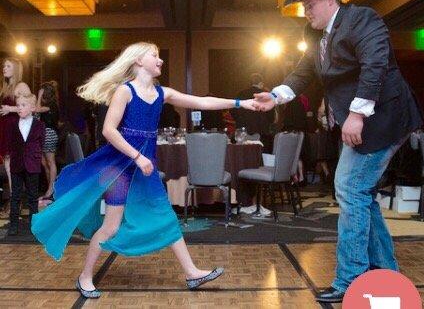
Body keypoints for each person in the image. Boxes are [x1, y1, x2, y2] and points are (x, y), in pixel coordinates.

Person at [31, 42, 257, 298]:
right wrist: (137, 156)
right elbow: (108, 131)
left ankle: (192, 272)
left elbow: (202, 101)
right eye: (155, 55)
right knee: (111, 227)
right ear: (139, 61)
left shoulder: (162, 93)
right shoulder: (125, 92)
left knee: (166, 215)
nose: (160, 60)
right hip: (119, 169)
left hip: (143, 169)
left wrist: (241, 102)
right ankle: (85, 277)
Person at [253, 0, 423, 303]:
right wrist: (275, 95)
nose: (306, 11)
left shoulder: (361, 18)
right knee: (360, 194)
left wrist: (357, 115)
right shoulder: (315, 34)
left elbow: (376, 65)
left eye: (310, 4)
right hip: (362, 124)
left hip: (385, 119)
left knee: (349, 188)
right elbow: (302, 73)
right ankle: (386, 272)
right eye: (303, 5)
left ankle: (351, 279)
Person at [7, 94, 45, 235]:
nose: (19, 108)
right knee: (15, 195)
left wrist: (34, 157)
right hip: (17, 164)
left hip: (32, 164)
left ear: (32, 108)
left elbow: (40, 143)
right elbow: (10, 143)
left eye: (23, 105)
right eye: (18, 105)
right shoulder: (12, 124)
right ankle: (13, 225)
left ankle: (34, 225)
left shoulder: (39, 125)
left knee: (32, 196)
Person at [0, 58, 31, 216]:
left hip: (14, 130)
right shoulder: (7, 87)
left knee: (13, 168)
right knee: (9, 166)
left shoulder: (20, 86)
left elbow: (31, 106)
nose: (4, 68)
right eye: (4, 65)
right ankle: (14, 203)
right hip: (6, 129)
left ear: (16, 69)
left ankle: (15, 204)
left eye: (8, 66)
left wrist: (10, 108)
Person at [36, 82, 60, 200]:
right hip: (43, 134)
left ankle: (51, 189)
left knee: (50, 162)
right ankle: (50, 188)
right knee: (44, 163)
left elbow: (37, 109)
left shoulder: (51, 104)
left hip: (49, 134)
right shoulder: (51, 104)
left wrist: (39, 96)